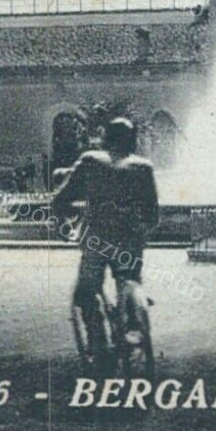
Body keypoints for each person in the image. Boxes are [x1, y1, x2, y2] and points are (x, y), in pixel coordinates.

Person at [51, 117, 159, 366]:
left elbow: (60, 199)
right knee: (130, 278)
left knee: (87, 290)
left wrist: (63, 224)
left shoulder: (90, 161)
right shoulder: (143, 167)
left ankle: (98, 344)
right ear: (132, 141)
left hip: (96, 239)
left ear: (105, 138)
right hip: (129, 240)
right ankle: (134, 324)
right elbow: (152, 213)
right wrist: (140, 230)